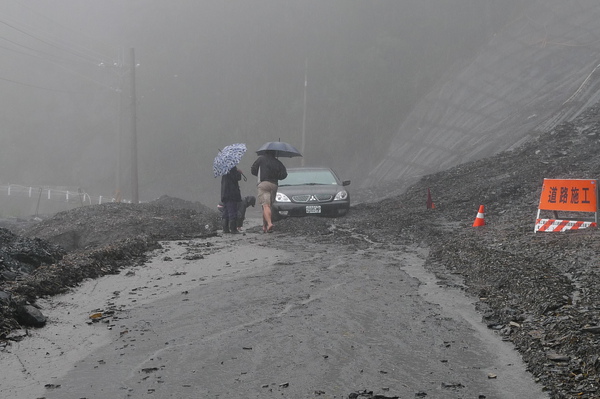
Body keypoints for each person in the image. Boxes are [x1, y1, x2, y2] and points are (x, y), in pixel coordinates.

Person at [250, 150, 287, 233]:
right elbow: (284, 175)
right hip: (274, 185)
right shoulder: (277, 162)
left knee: (265, 206)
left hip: (263, 184)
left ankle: (269, 224)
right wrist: (277, 176)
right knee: (268, 206)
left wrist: (260, 174)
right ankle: (264, 226)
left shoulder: (260, 159)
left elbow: (253, 170)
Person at [220, 166, 242, 234]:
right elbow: (236, 178)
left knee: (225, 212)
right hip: (232, 194)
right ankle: (233, 229)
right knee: (232, 212)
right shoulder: (232, 169)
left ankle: (225, 229)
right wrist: (239, 172)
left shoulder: (224, 170)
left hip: (224, 194)